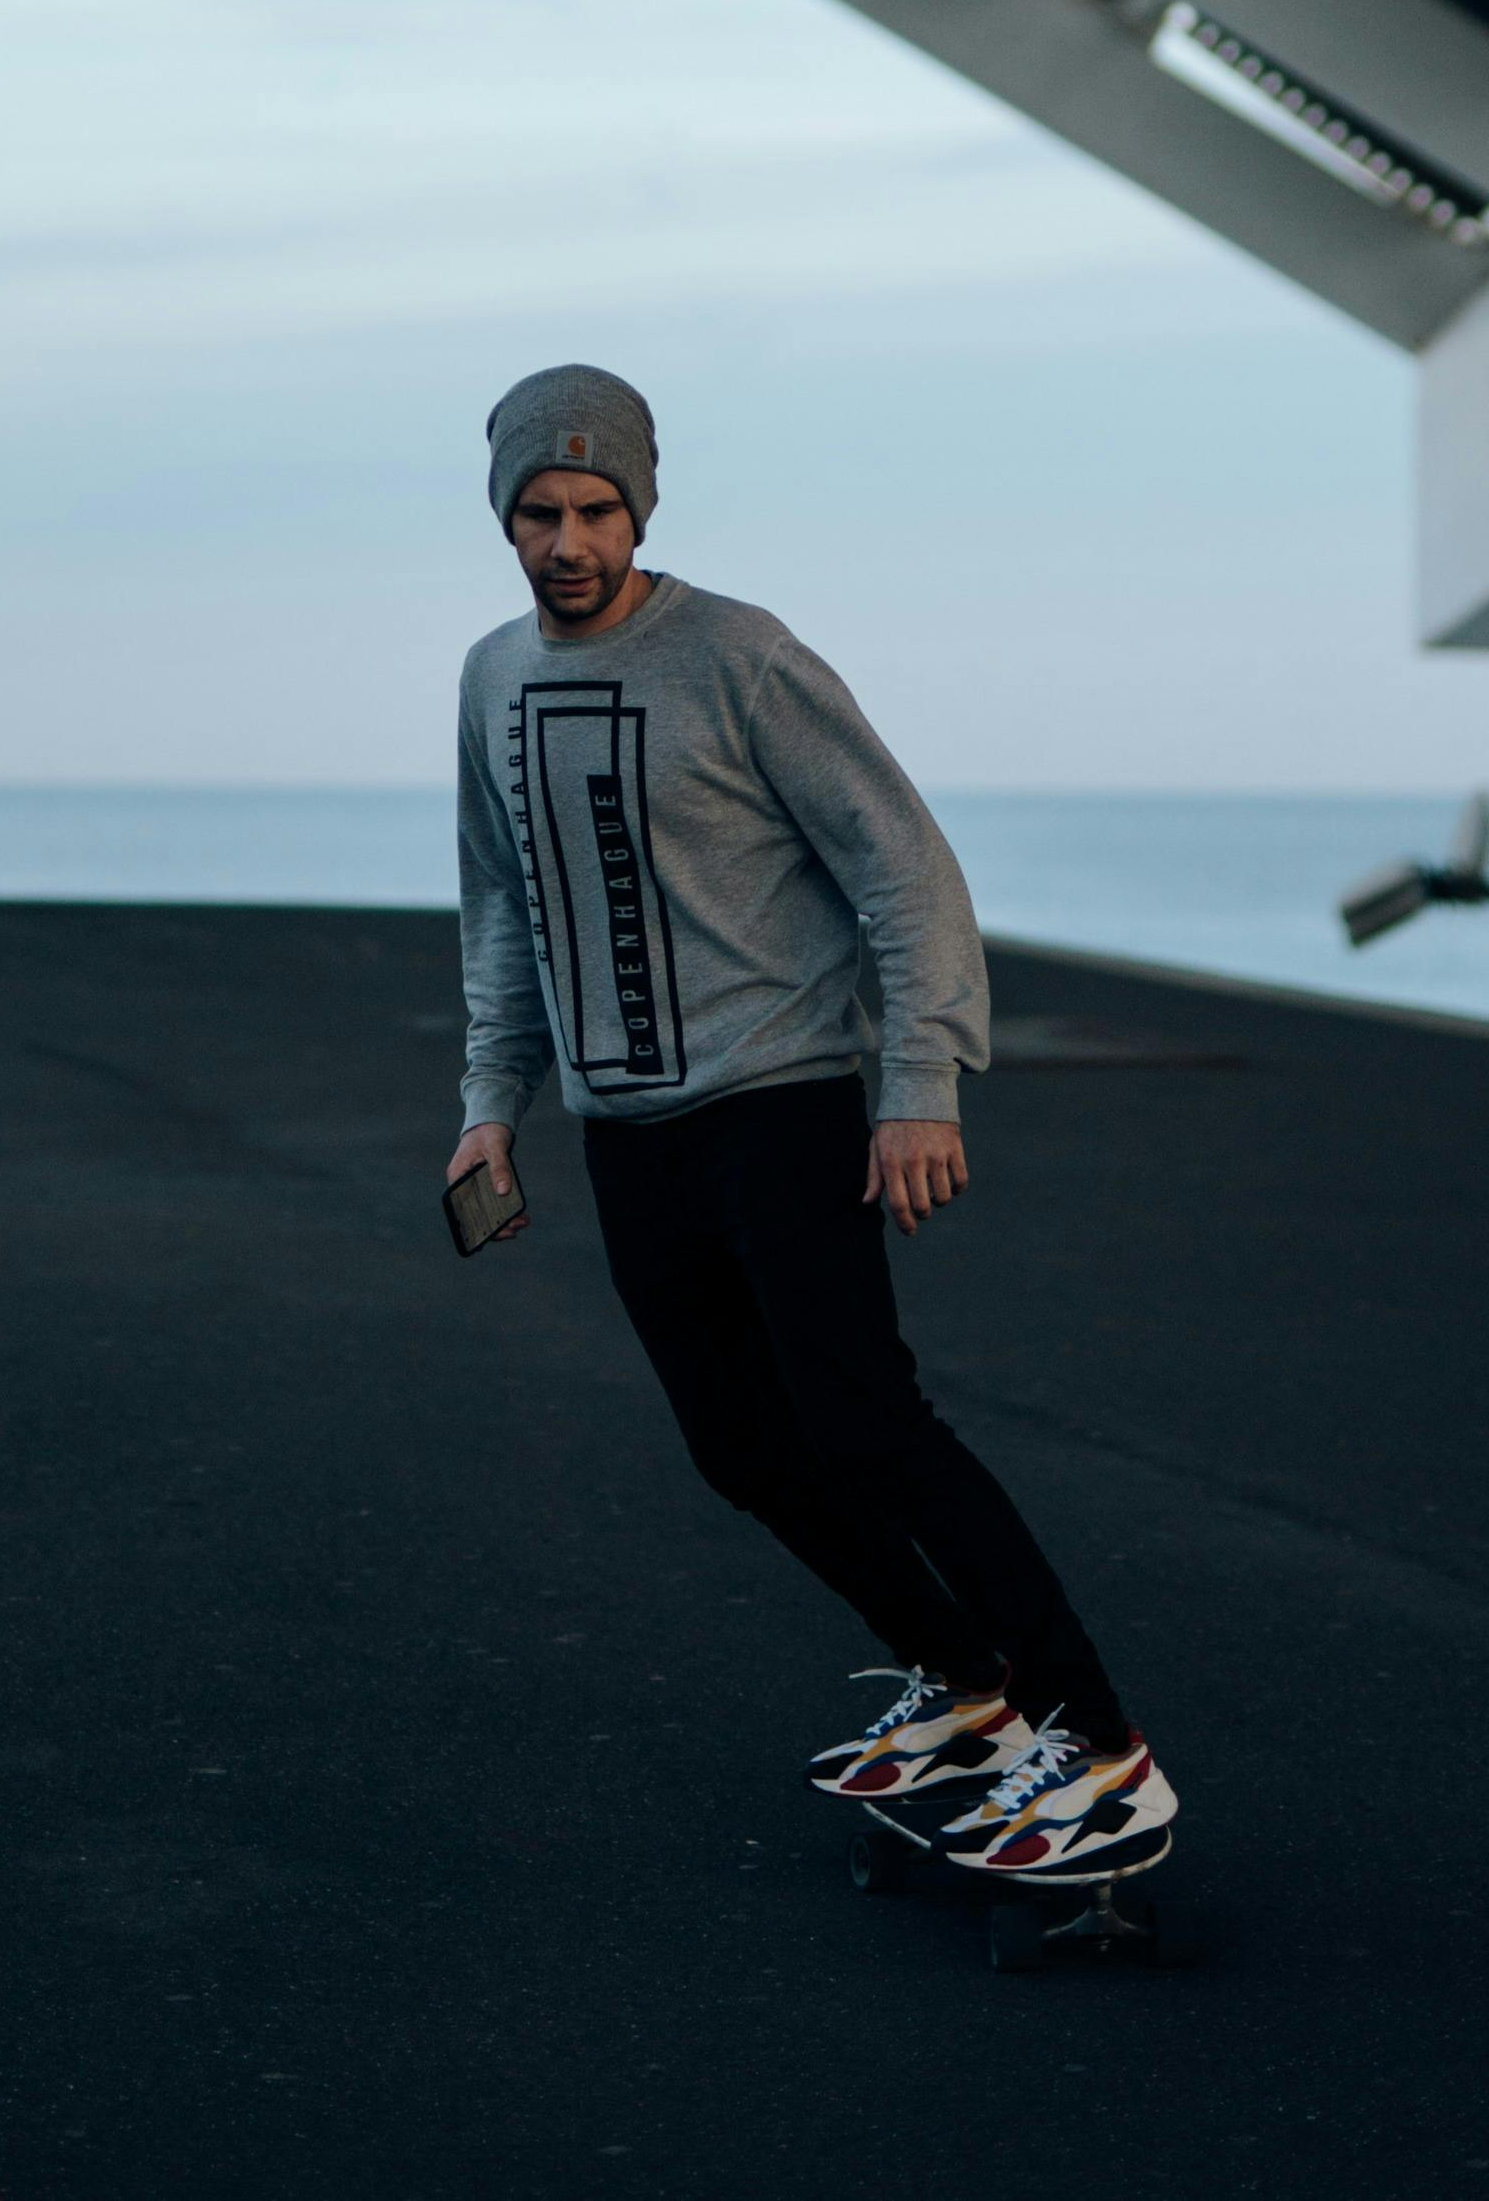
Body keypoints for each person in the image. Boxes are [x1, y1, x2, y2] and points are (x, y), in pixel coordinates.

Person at [445, 366, 1177, 1884]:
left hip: (782, 1101)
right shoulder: (489, 679)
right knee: (737, 1448)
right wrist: (487, 1107)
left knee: (870, 1427)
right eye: (538, 513)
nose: (567, 540)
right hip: (626, 1133)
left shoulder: (741, 659)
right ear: (502, 520)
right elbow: (506, 908)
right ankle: (967, 1685)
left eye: (593, 509)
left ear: (640, 508)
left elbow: (904, 870)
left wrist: (918, 1086)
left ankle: (1098, 1745)